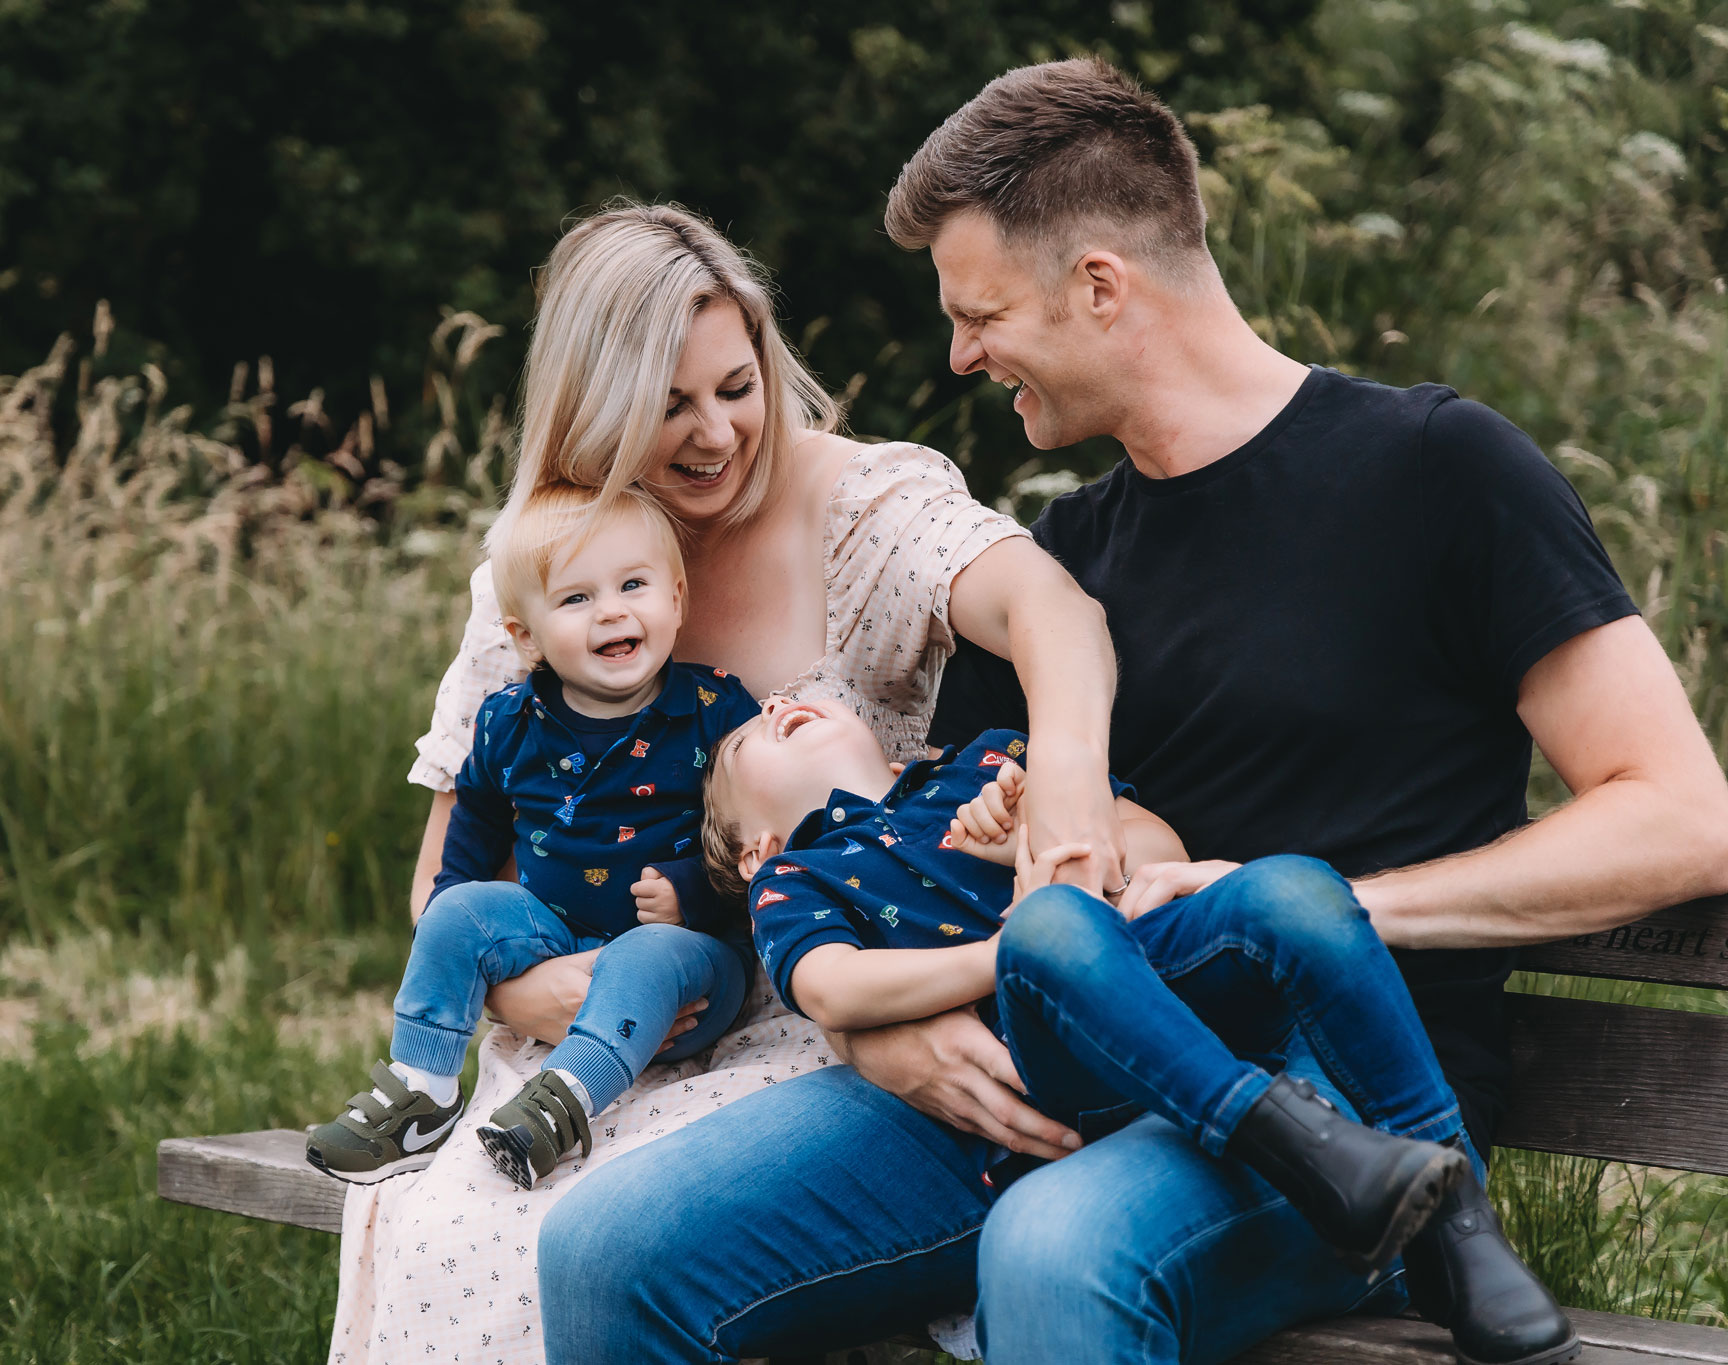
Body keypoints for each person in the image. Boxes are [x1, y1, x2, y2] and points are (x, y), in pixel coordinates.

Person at [538, 59, 1728, 1365]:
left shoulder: (1440, 472)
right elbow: (938, 860)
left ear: (1100, 286)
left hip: (1348, 1091)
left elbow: (1681, 817)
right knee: (609, 1254)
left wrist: (1321, 904)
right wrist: (885, 1037)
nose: (959, 353)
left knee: (1055, 1250)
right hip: (1062, 1056)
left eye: (979, 313)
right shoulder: (1067, 564)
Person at [322, 201, 1121, 1364]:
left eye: (735, 387)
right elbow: (449, 864)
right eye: (666, 404)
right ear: (592, 406)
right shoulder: (549, 562)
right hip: (593, 1033)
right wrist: (528, 993)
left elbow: (1050, 606)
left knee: (617, 1240)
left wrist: (1067, 788)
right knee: (466, 1234)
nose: (714, 434)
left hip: (818, 1007)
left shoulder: (859, 508)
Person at [707, 695, 1573, 1354]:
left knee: (1289, 886)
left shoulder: (981, 762)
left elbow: (1153, 845)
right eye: (748, 734)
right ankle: (1308, 1150)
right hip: (1066, 1051)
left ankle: (1454, 1219)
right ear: (754, 847)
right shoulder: (797, 877)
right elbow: (836, 990)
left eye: (788, 699)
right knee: (1051, 932)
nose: (780, 703)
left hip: (1165, 968)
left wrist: (1043, 843)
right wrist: (1005, 950)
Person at [304, 484, 759, 1191]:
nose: (611, 609)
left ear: (675, 598)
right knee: (451, 909)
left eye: (633, 585)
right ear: (525, 636)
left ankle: (564, 1100)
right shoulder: (508, 720)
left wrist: (694, 891)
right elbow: (477, 820)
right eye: (576, 599)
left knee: (645, 952)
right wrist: (458, 923)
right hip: (556, 933)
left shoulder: (715, 708)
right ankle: (422, 1089)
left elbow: (760, 839)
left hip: (689, 967)